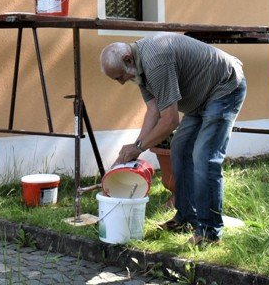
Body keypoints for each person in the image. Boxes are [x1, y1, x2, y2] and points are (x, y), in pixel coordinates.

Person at [99, 33, 246, 246]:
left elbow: (170, 121)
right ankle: (187, 218)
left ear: (128, 59)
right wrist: (135, 147)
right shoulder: (139, 67)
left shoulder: (156, 62)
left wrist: (138, 147)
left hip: (224, 87)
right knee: (180, 147)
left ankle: (209, 233)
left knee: (204, 157)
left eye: (120, 76)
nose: (122, 82)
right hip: (200, 97)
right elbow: (153, 111)